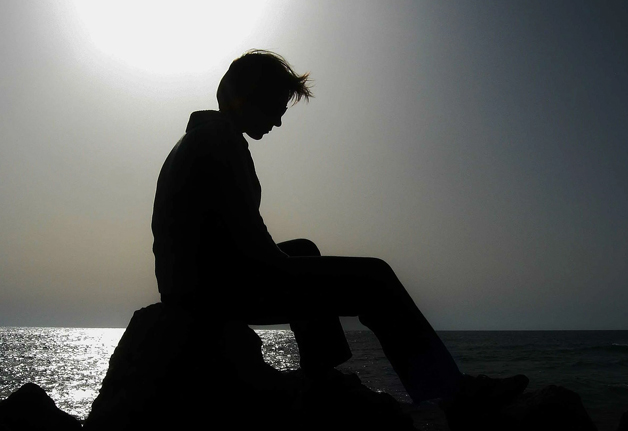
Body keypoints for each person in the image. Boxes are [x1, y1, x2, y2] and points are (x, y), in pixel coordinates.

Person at [151, 50, 527, 407]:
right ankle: (452, 395)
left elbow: (234, 239)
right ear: (252, 97)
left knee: (302, 250)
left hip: (198, 285)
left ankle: (322, 373)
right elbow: (257, 252)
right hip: (212, 292)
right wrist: (314, 281)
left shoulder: (202, 137)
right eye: (276, 108)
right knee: (375, 278)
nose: (278, 121)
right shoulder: (220, 143)